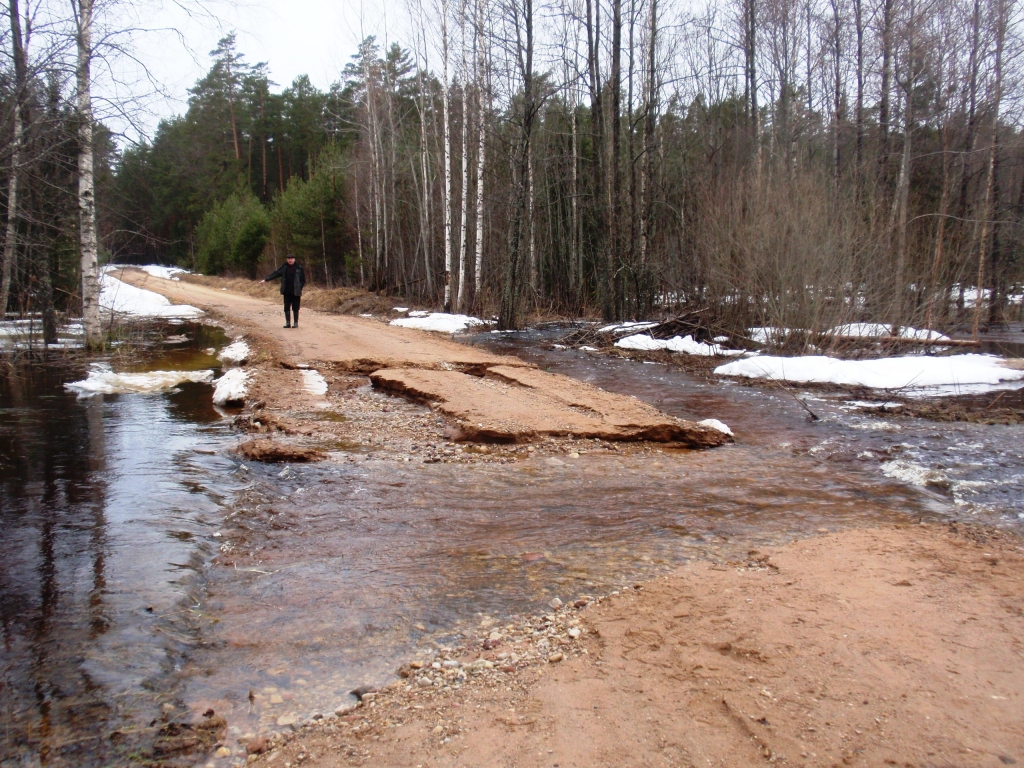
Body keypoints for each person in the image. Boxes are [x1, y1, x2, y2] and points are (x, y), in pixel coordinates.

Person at [261, 254, 306, 328]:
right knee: (286, 307)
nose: (290, 260)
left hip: (296, 292)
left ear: (294, 259)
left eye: (291, 259)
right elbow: (275, 274)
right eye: (289, 259)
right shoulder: (284, 267)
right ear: (287, 260)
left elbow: (303, 280)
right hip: (286, 291)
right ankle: (288, 323)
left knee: (296, 307)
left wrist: (299, 287)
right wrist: (266, 280)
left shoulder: (299, 268)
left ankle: (295, 323)